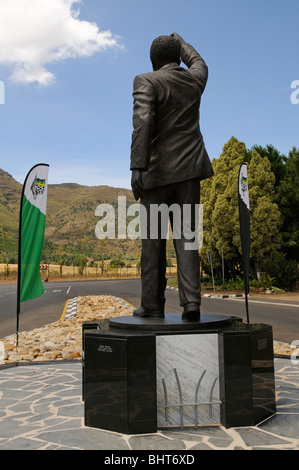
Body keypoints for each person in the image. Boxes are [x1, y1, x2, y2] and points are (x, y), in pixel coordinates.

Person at [130, 33, 213, 321]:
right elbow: (199, 61)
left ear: (153, 61)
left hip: (157, 173)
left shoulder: (147, 80)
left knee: (152, 242)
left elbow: (143, 122)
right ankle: (192, 303)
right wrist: (182, 42)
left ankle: (152, 305)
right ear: (177, 57)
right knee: (188, 238)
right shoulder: (194, 80)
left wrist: (137, 166)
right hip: (190, 172)